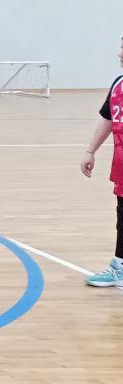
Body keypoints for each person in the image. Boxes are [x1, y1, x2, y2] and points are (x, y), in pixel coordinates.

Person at [81, 36, 123, 288]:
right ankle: (120, 266)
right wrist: (91, 151)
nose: (120, 53)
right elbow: (108, 118)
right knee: (122, 214)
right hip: (121, 163)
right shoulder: (118, 84)